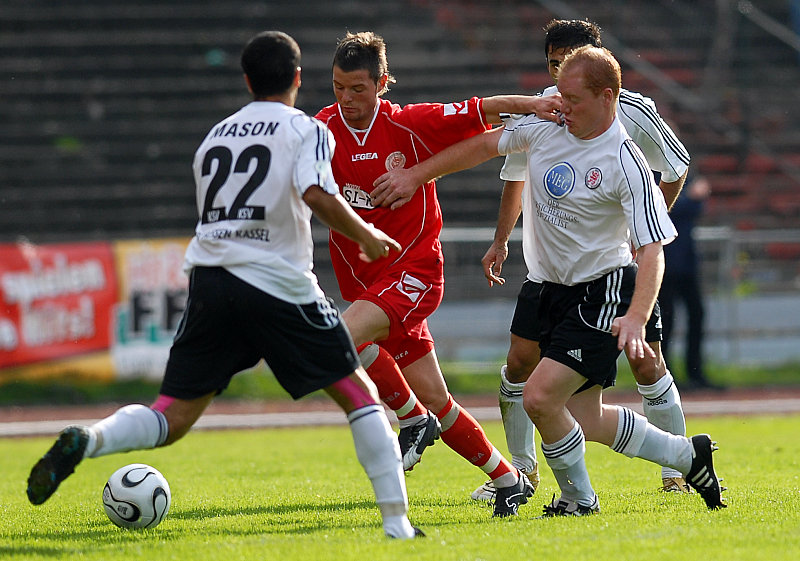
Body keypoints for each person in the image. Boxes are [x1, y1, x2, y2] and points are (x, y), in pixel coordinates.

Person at [26, 30, 424, 539]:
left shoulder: (214, 136)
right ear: (299, 79)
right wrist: (365, 234)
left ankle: (89, 437)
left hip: (211, 281)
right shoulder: (307, 129)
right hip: (278, 281)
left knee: (170, 415)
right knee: (360, 395)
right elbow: (315, 192)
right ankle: (398, 527)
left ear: (246, 80)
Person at [373, 45, 726, 515]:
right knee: (584, 417)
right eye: (559, 94)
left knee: (539, 397)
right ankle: (687, 455)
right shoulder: (546, 124)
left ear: (608, 98)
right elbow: (481, 146)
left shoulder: (625, 160)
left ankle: (580, 499)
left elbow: (652, 250)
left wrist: (637, 316)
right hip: (550, 290)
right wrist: (416, 174)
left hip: (602, 291)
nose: (562, 106)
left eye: (573, 99)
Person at [314, 31, 561, 517]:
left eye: (358, 88)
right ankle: (507, 478)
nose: (347, 99)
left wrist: (536, 104)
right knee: (438, 400)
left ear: (382, 83)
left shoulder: (409, 124)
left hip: (413, 272)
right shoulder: (319, 130)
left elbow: (480, 110)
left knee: (338, 337)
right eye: (339, 87)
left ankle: (408, 420)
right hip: (363, 280)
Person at [659, 173, 717, 390]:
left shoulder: (680, 173)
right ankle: (664, 376)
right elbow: (664, 208)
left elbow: (694, 208)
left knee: (696, 314)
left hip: (685, 263)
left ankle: (695, 372)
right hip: (664, 263)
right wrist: (692, 197)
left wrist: (693, 199)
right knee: (666, 320)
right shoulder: (652, 174)